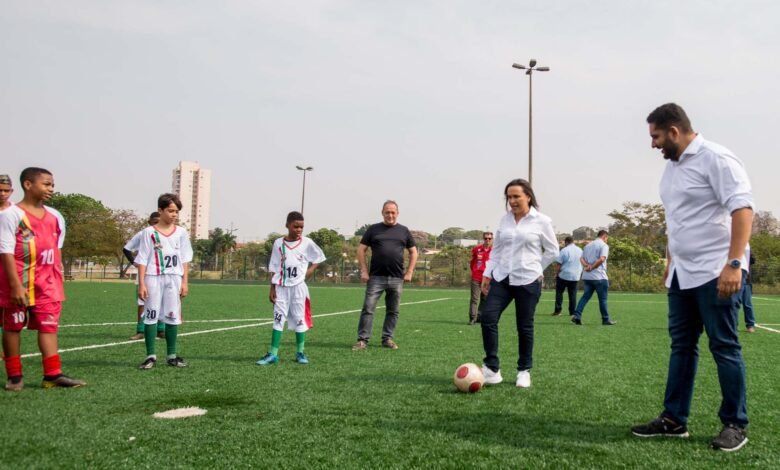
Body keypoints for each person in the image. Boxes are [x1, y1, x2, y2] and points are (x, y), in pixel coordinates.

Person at [631, 103, 753, 452]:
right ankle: (673, 419)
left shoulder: (717, 158)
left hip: (715, 271)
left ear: (674, 131)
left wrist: (733, 263)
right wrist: (670, 260)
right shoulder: (672, 168)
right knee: (682, 347)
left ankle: (735, 423)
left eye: (655, 136)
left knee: (725, 347)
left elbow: (742, 209)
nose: (653, 144)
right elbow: (679, 219)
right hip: (682, 274)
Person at [0, 167, 86, 391]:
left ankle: (52, 374)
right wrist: (15, 285)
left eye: (52, 185)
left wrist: (57, 280)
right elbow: (6, 252)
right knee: (13, 326)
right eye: (46, 184)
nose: (51, 189)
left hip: (47, 284)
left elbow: (56, 251)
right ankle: (15, 376)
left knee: (49, 327)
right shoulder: (11, 215)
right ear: (28, 185)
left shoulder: (56, 216)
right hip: (18, 282)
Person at [479, 179, 558, 388]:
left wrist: (536, 268)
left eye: (516, 196)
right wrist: (487, 275)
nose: (512, 201)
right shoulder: (504, 221)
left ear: (528, 197)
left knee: (524, 326)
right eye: (509, 197)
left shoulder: (542, 221)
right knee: (487, 317)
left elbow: (552, 251)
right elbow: (496, 251)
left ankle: (524, 370)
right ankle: (492, 368)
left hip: (528, 281)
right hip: (502, 278)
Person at [256, 211, 326, 366]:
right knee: (278, 319)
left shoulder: (307, 243)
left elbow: (319, 257)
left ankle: (300, 353)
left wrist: (308, 272)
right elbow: (273, 266)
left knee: (299, 319)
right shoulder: (278, 244)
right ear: (287, 225)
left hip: (298, 288)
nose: (299, 230)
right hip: (281, 287)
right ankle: (273, 354)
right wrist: (272, 288)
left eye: (301, 227)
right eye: (296, 226)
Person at [135, 193, 193, 369]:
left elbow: (185, 258)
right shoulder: (149, 233)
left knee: (172, 316)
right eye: (171, 211)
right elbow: (143, 258)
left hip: (174, 279)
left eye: (176, 211)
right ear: (160, 210)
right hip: (153, 278)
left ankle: (172, 356)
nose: (174, 214)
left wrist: (185, 282)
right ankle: (150, 356)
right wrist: (142, 283)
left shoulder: (181, 233)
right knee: (151, 316)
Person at [352, 200, 418, 351]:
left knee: (393, 310)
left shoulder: (404, 230)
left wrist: (409, 272)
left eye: (393, 212)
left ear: (397, 213)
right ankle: (363, 340)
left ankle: (387, 338)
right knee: (368, 308)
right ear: (382, 213)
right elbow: (361, 249)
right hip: (376, 277)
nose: (390, 215)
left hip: (396, 278)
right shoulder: (373, 229)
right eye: (387, 212)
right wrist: (363, 270)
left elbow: (413, 251)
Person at [124, 211, 166, 340]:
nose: (157, 224)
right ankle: (140, 330)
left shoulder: (167, 234)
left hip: (163, 274)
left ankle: (161, 330)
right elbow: (126, 248)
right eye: (154, 222)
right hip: (145, 274)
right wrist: (134, 262)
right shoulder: (143, 234)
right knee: (142, 302)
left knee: (162, 302)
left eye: (159, 222)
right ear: (149, 222)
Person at [571, 230, 616, 325]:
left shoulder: (588, 246)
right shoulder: (604, 246)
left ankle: (577, 315)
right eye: (607, 238)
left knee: (585, 297)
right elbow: (602, 259)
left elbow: (581, 259)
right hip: (599, 276)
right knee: (603, 299)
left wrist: (586, 266)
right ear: (605, 237)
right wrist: (592, 267)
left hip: (587, 277)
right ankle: (605, 319)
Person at [551, 236, 582, 317]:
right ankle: (572, 312)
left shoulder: (564, 250)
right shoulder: (580, 250)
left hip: (564, 275)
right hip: (575, 276)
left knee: (559, 293)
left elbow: (559, 263)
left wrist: (556, 274)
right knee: (572, 295)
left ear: (566, 242)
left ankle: (558, 311)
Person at [467, 232, 493, 324]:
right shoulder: (476, 249)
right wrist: (475, 271)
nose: (487, 240)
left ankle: (479, 317)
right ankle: (472, 318)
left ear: (492, 239)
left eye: (489, 238)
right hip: (476, 278)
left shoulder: (494, 251)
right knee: (474, 298)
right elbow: (472, 263)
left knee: (485, 299)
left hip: (488, 279)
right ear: (483, 239)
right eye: (486, 238)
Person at [739, 248, 756, 333]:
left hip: (746, 281)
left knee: (747, 304)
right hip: (733, 280)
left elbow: (753, 260)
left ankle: (750, 325)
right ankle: (732, 325)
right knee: (732, 304)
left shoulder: (747, 248)